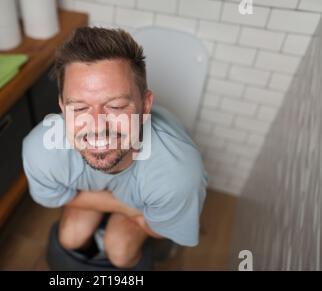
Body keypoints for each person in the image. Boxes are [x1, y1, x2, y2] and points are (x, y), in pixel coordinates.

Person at [22, 27, 208, 269]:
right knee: (70, 237)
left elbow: (162, 230)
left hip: (148, 194)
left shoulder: (177, 174)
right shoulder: (41, 152)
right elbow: (55, 198)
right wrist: (129, 209)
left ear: (145, 105)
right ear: (61, 107)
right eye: (78, 108)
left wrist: (135, 216)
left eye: (117, 106)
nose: (97, 126)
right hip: (133, 201)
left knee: (119, 249)